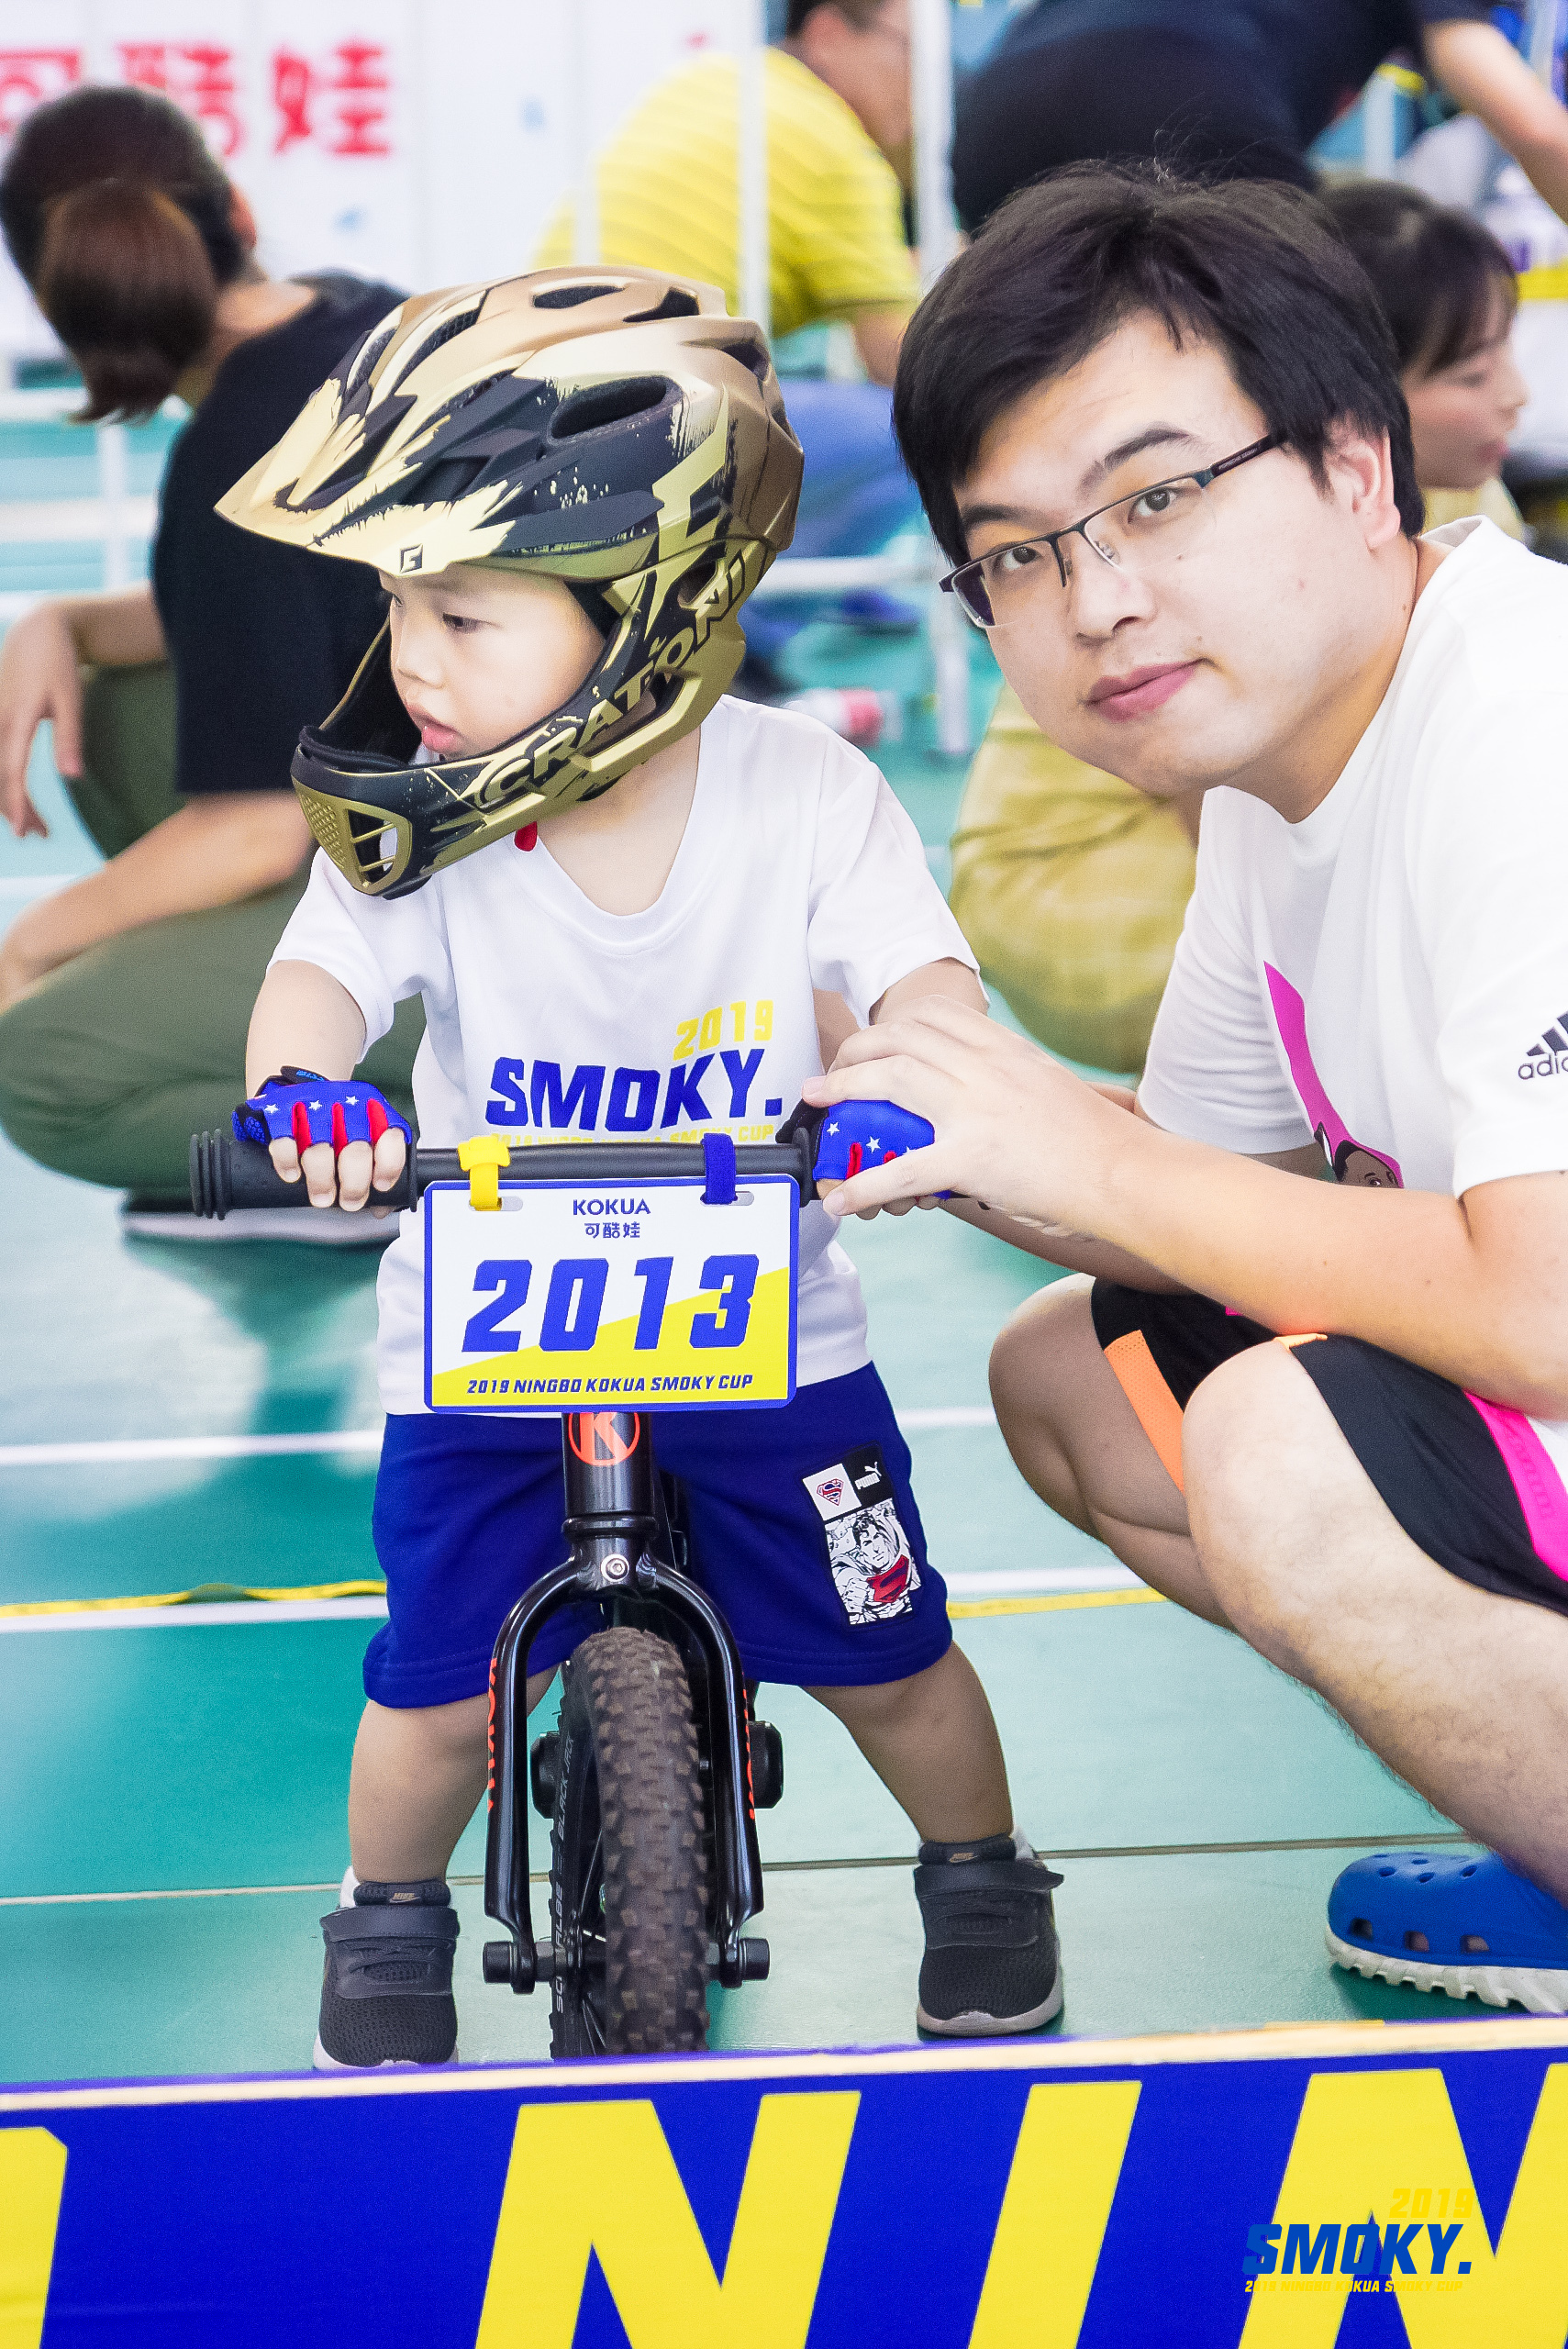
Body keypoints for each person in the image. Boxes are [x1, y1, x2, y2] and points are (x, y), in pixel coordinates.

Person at [220, 266, 1062, 2065]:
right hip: (488, 1337)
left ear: (649, 608)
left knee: (886, 1653)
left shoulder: (801, 794)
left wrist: (907, 1079)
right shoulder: (427, 817)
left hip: (764, 1325)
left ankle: (979, 1875)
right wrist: (305, 1092)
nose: (409, 656)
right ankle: (389, 1909)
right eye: (397, 603)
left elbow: (916, 976)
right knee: (435, 1687)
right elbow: (318, 979)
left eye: (459, 609)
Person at [808, 166, 1568, 2014]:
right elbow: (1199, 1202)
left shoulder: (1518, 724)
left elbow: (1542, 1310)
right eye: (1015, 553)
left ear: (1354, 468)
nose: (1094, 600)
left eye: (1152, 497)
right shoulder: (1270, 778)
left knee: (1277, 1453)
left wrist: (1082, 1152)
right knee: (1079, 1378)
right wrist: (938, 1118)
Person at [948, 177, 1529, 1076]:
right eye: (1468, 374)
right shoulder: (1247, 750)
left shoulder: (1495, 633)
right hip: (1084, 881)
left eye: (1159, 499)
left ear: (1360, 470)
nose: (1515, 396)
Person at [0, 84, 421, 1232]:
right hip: (552, 836)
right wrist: (64, 624)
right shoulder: (353, 315)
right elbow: (280, 608)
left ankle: (394, 1151)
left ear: (60, 300)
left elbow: (254, 832)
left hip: (484, 922)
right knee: (117, 706)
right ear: (236, 209)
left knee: (39, 1066)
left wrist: (31, 946)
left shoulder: (239, 462)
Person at [534, 0, 921, 685]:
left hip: (540, 412)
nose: (925, 83)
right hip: (644, 433)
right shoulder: (834, 148)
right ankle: (737, 630)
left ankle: (804, 588)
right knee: (919, 431)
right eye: (910, 50)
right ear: (828, 31)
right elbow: (905, 365)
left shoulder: (719, 84)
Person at [951, 1, 1568, 238]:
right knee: (1312, 344)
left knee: (1041, 352)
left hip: (998, 105)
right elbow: (1535, 128)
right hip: (1182, 90)